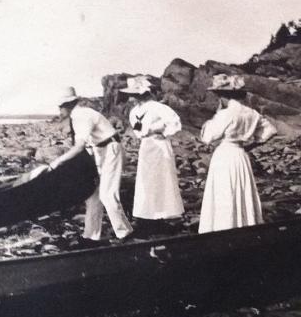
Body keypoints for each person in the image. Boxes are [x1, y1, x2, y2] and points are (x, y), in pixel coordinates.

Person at [48, 87, 133, 245]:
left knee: (108, 194)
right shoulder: (79, 115)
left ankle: (125, 234)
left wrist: (58, 161)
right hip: (101, 150)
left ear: (68, 105)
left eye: (60, 107)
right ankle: (91, 236)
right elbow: (87, 145)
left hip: (111, 150)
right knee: (93, 196)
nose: (59, 111)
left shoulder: (81, 116)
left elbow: (79, 146)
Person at [198, 74, 277, 233]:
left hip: (225, 155)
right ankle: (244, 224)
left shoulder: (225, 114)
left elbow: (207, 137)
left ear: (222, 96)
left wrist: (214, 117)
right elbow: (271, 130)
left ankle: (224, 227)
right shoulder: (251, 112)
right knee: (241, 189)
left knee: (224, 191)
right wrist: (252, 145)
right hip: (241, 154)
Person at [120, 76, 184, 221]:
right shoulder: (134, 111)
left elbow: (175, 123)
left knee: (162, 178)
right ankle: (149, 213)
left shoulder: (158, 107)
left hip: (160, 144)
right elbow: (137, 130)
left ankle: (164, 213)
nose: (132, 97)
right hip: (146, 146)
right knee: (147, 178)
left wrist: (161, 131)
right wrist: (145, 132)